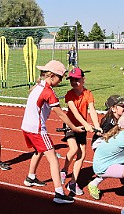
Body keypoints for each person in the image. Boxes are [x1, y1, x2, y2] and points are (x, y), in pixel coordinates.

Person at [21, 60, 83, 204]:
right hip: (37, 129)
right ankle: (59, 193)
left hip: (27, 126)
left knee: (39, 151)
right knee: (53, 159)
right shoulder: (48, 92)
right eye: (61, 77)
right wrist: (73, 127)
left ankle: (30, 177)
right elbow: (60, 114)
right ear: (53, 76)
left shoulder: (38, 86)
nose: (61, 80)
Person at [60, 67, 102, 195]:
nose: (74, 82)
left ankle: (73, 182)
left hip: (83, 127)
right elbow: (75, 112)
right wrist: (87, 124)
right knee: (73, 149)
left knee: (82, 155)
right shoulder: (69, 95)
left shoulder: (88, 94)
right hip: (71, 125)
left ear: (83, 79)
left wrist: (96, 126)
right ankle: (64, 170)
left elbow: (92, 110)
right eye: (71, 80)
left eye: (77, 80)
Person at [88, 95, 124, 199]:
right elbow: (107, 139)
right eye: (121, 106)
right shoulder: (109, 122)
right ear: (113, 108)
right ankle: (93, 184)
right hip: (100, 144)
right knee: (113, 165)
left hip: (110, 143)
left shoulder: (120, 118)